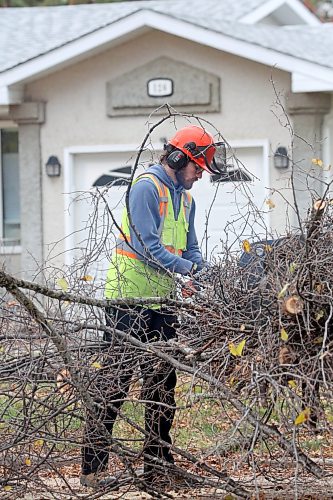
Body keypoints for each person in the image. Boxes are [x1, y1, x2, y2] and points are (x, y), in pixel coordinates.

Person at [80, 124, 220, 489]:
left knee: (162, 382)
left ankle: (157, 466)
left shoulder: (187, 199)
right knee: (116, 381)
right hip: (128, 298)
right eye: (198, 168)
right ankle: (93, 468)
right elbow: (147, 247)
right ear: (178, 157)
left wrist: (201, 273)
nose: (200, 175)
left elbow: (190, 250)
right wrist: (186, 270)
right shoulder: (146, 188)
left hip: (162, 301)